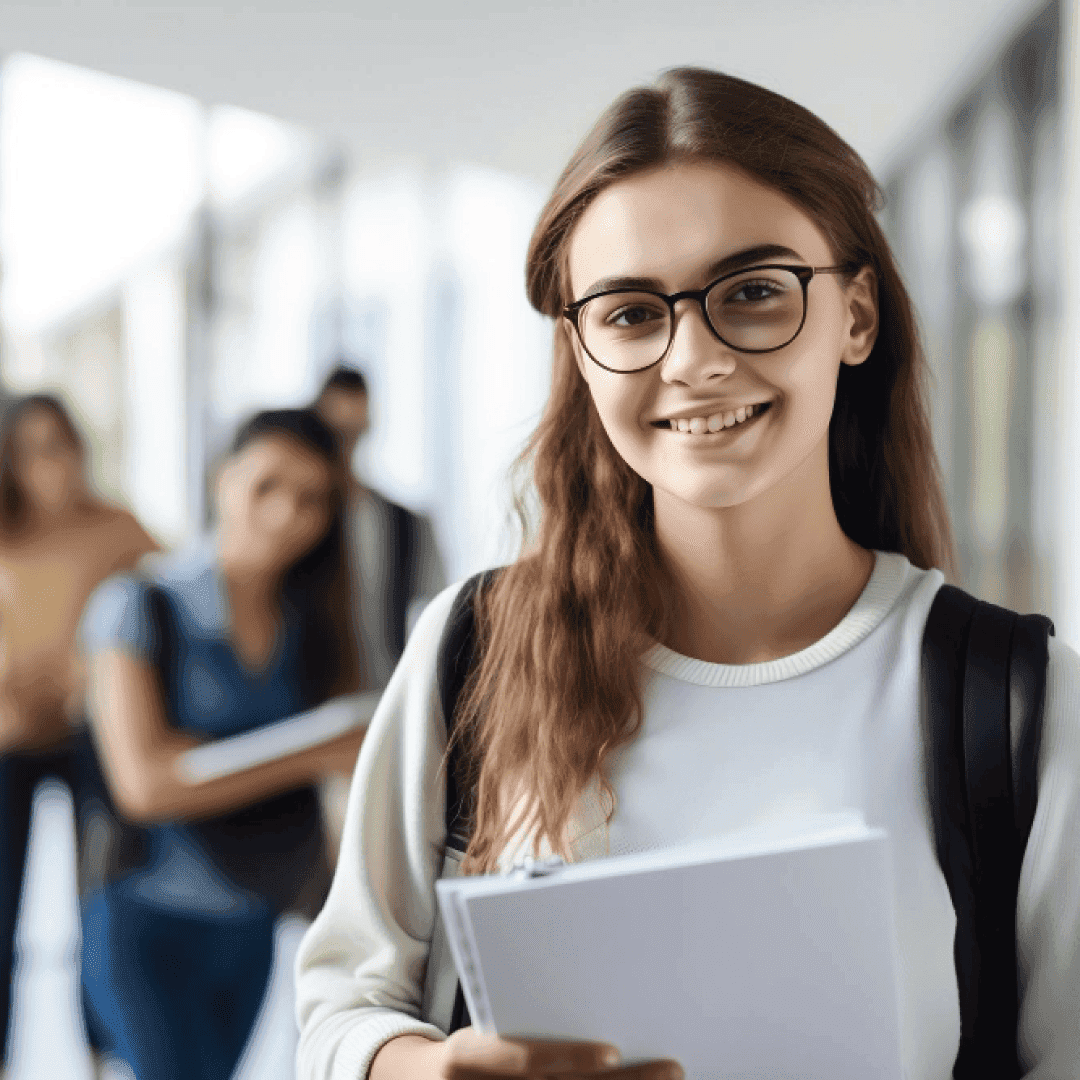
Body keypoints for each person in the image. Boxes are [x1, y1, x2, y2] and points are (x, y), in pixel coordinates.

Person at [294, 68, 1080, 1080]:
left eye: (753, 293)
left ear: (856, 316)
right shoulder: (476, 647)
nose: (693, 358)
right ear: (579, 351)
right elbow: (340, 1001)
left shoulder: (1017, 703)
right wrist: (424, 1068)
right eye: (629, 313)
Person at [79, 408, 365, 1080]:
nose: (287, 513)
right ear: (222, 480)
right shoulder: (135, 605)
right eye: (266, 485)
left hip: (253, 924)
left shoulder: (310, 622)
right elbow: (145, 784)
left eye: (311, 498)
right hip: (146, 924)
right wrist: (313, 752)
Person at [0, 392, 158, 1070]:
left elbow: (166, 610)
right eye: (32, 450)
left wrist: (91, 671)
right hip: (7, 740)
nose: (50, 465)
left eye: (60, 445)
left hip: (95, 737)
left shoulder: (119, 528)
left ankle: (103, 1055)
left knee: (102, 902)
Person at [313, 365, 446, 691]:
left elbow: (440, 620)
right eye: (337, 434)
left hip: (385, 694)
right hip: (311, 706)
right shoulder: (301, 523)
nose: (346, 447)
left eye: (355, 432)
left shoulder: (410, 525)